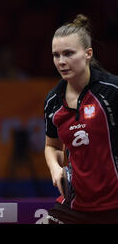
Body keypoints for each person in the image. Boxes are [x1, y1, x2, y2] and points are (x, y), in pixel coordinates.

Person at [44, 14, 118, 223]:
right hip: (77, 204)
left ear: (88, 54)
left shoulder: (112, 91)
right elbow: (52, 146)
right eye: (56, 55)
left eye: (68, 54)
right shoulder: (53, 101)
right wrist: (56, 168)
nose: (61, 62)